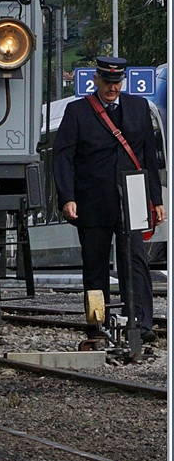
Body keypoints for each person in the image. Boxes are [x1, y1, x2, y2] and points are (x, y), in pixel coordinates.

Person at [53, 55, 166, 342]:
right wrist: (67, 196)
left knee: (136, 261)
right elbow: (63, 157)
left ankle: (141, 323)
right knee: (95, 266)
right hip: (91, 199)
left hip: (134, 195)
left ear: (122, 81)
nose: (112, 88)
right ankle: (98, 325)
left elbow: (148, 158)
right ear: (96, 80)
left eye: (117, 83)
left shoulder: (139, 107)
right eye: (107, 82)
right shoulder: (77, 111)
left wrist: (156, 199)